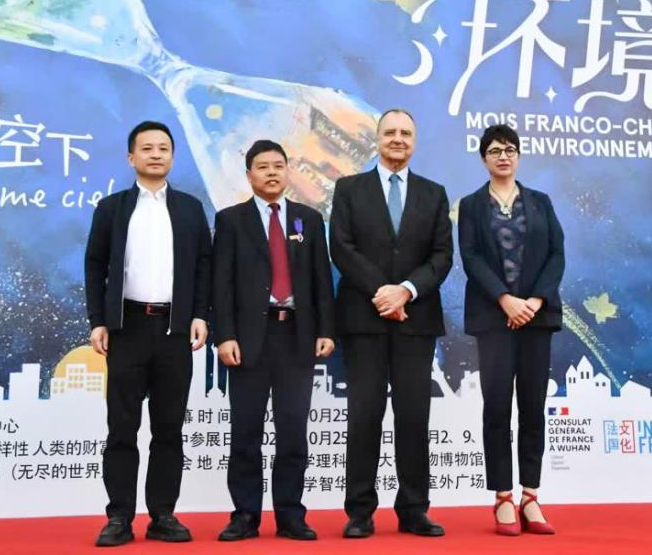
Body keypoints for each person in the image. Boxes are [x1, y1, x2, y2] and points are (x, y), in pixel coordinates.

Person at [84, 121, 212, 547]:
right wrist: (98, 320)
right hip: (127, 327)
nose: (156, 154)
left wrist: (200, 314)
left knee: (169, 428)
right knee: (122, 427)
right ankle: (119, 517)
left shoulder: (191, 208)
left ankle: (163, 515)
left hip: (175, 330)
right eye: (147, 148)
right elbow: (94, 265)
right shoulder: (112, 208)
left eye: (163, 148)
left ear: (172, 156)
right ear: (131, 157)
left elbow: (204, 266)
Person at [329, 109, 453, 538]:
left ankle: (414, 509)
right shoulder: (349, 189)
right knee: (364, 415)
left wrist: (406, 291)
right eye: (390, 132)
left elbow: (442, 256)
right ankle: (359, 512)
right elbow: (341, 247)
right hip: (363, 319)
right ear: (377, 138)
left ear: (414, 141)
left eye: (406, 133)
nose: (398, 139)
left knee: (413, 416)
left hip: (416, 320)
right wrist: (383, 292)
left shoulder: (434, 194)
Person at [213, 140, 336, 541]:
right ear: (249, 174)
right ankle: (245, 515)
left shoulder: (308, 219)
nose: (271, 172)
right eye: (262, 166)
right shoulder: (230, 220)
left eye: (278, 166)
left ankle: (290, 515)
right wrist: (224, 336)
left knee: (293, 430)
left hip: (296, 335)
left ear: (288, 171)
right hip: (250, 338)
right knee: (245, 431)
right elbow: (221, 284)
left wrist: (326, 330)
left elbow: (321, 280)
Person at [457, 124, 565, 536]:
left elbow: (556, 254)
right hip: (494, 319)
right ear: (484, 158)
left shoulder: (540, 202)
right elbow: (471, 258)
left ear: (518, 156)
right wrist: (505, 299)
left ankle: (531, 496)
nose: (503, 156)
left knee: (533, 407)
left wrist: (534, 301)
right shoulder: (471, 205)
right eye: (495, 150)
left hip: (537, 318)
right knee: (498, 407)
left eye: (510, 150)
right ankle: (503, 496)